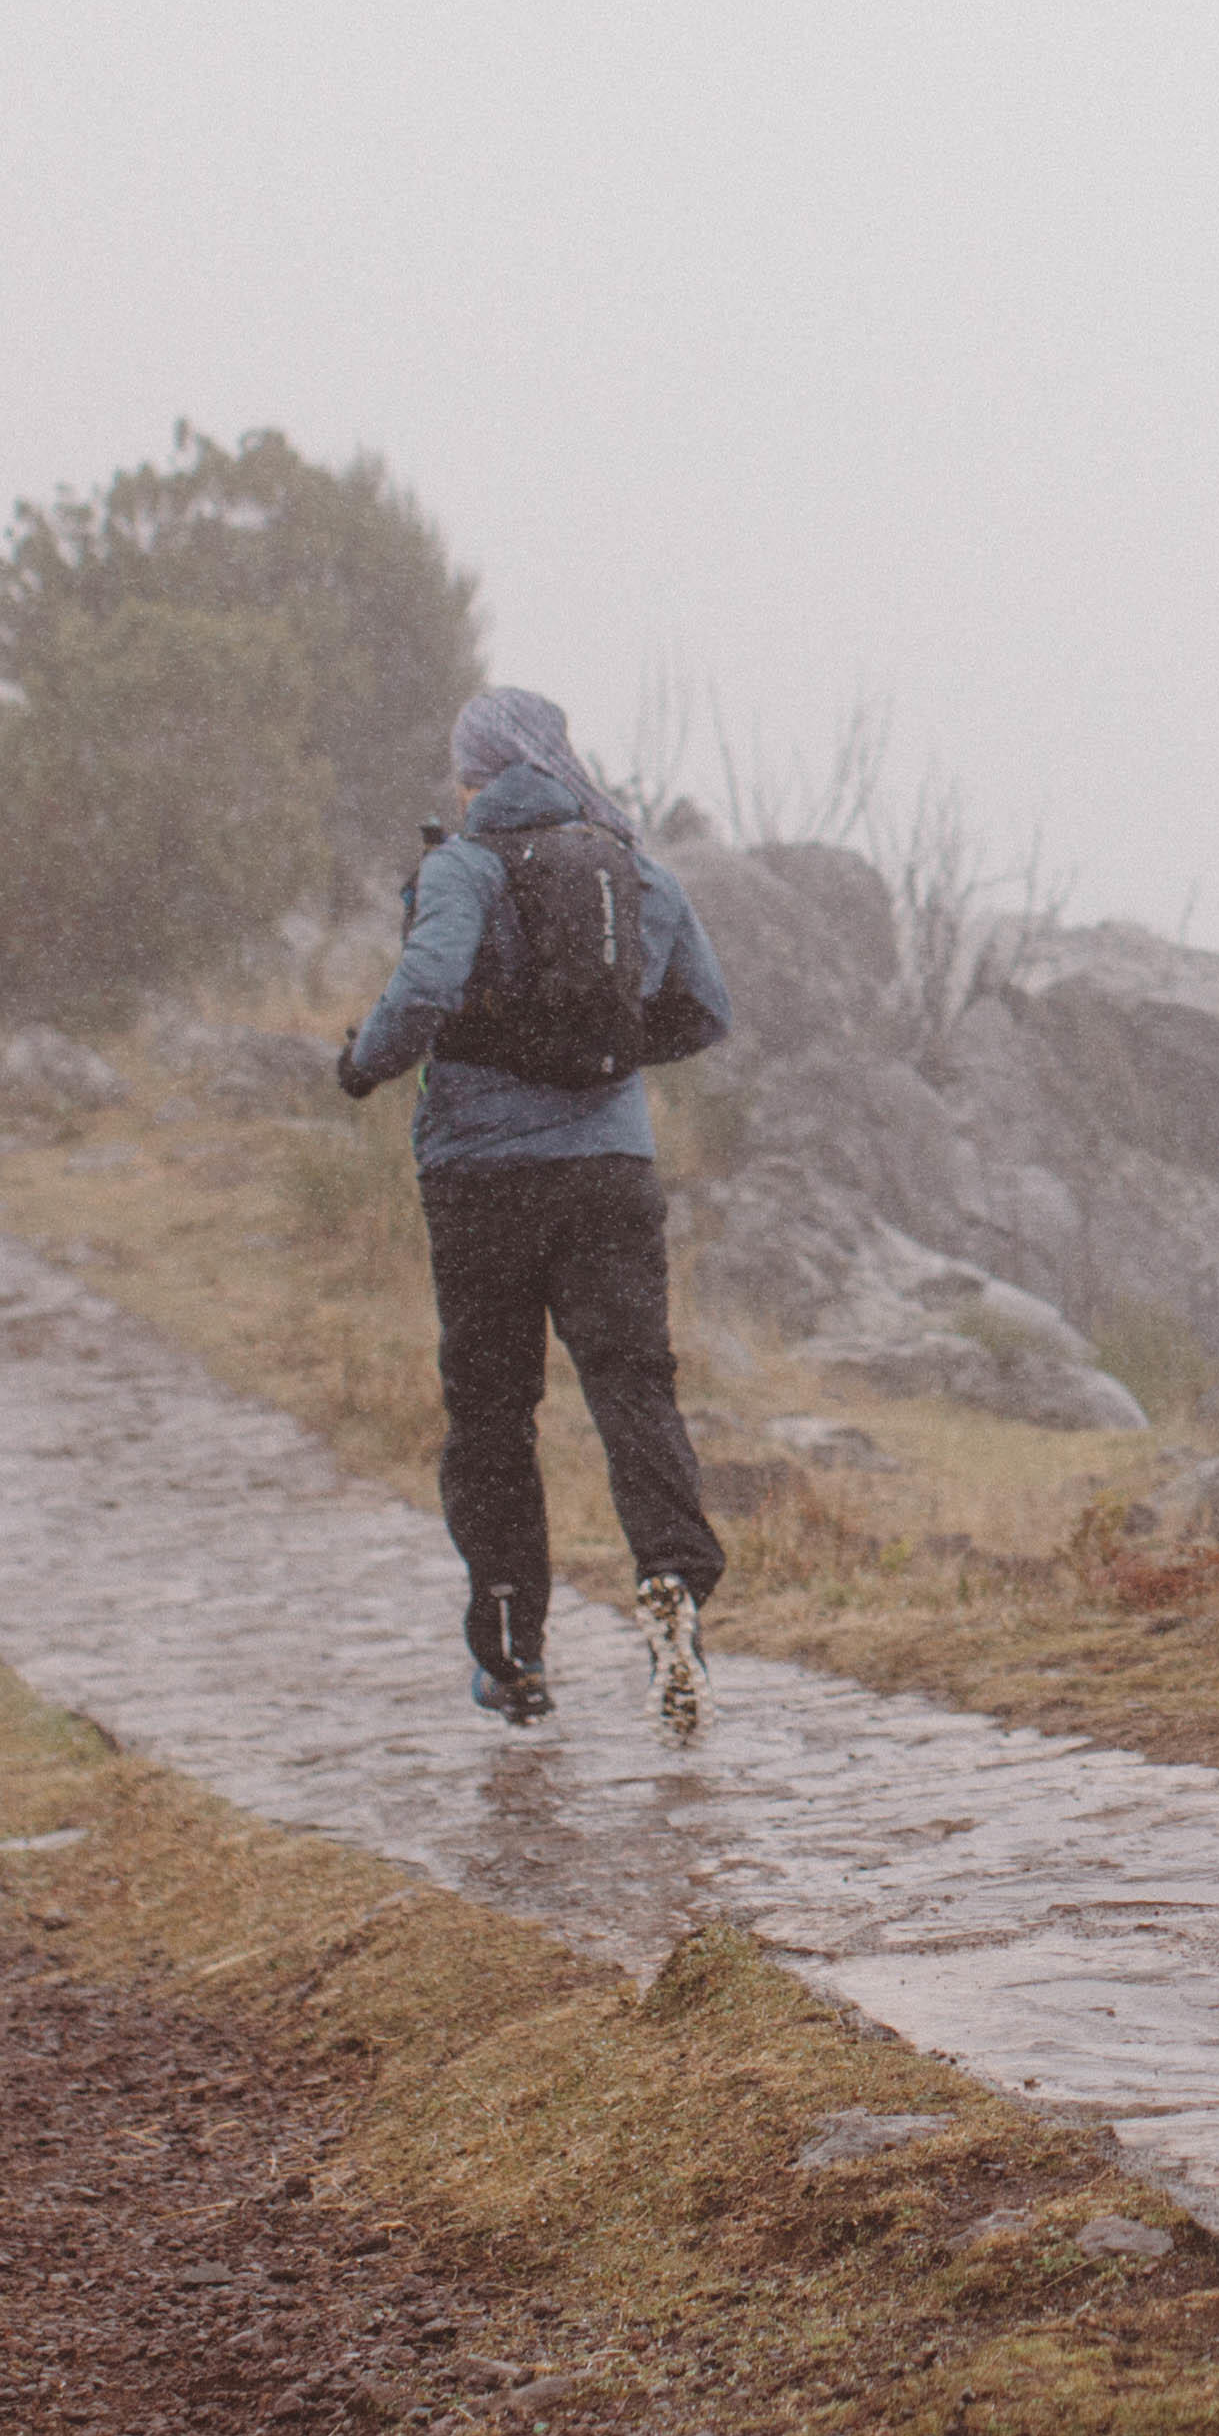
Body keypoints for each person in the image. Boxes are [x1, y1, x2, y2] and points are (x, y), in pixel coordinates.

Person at [338, 685, 735, 1737]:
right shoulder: (629, 869)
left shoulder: (461, 865)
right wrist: (598, 1061)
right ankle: (673, 1585)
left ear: (475, 771)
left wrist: (362, 1063)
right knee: (633, 1387)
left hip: (481, 1183)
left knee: (494, 1411)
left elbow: (424, 987)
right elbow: (705, 1008)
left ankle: (512, 1645)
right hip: (609, 1171)